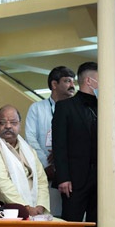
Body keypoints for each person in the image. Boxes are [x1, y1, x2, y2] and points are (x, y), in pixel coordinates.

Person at [52, 61, 98, 227]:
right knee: (72, 226)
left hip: (100, 178)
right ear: (89, 80)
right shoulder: (65, 107)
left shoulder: (105, 106)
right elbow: (59, 145)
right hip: (74, 178)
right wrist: (63, 177)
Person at [25, 66, 76, 217]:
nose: (72, 85)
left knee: (70, 215)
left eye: (73, 81)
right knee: (49, 214)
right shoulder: (37, 108)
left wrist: (61, 153)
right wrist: (46, 165)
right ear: (54, 85)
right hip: (44, 171)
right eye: (67, 81)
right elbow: (30, 138)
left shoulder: (76, 109)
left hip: (70, 171)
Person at [0, 105, 51, 217]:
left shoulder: (28, 149)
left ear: (20, 124)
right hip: (11, 210)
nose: (8, 126)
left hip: (36, 209)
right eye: (2, 122)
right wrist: (26, 207)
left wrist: (40, 206)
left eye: (13, 122)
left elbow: (41, 180)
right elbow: (1, 182)